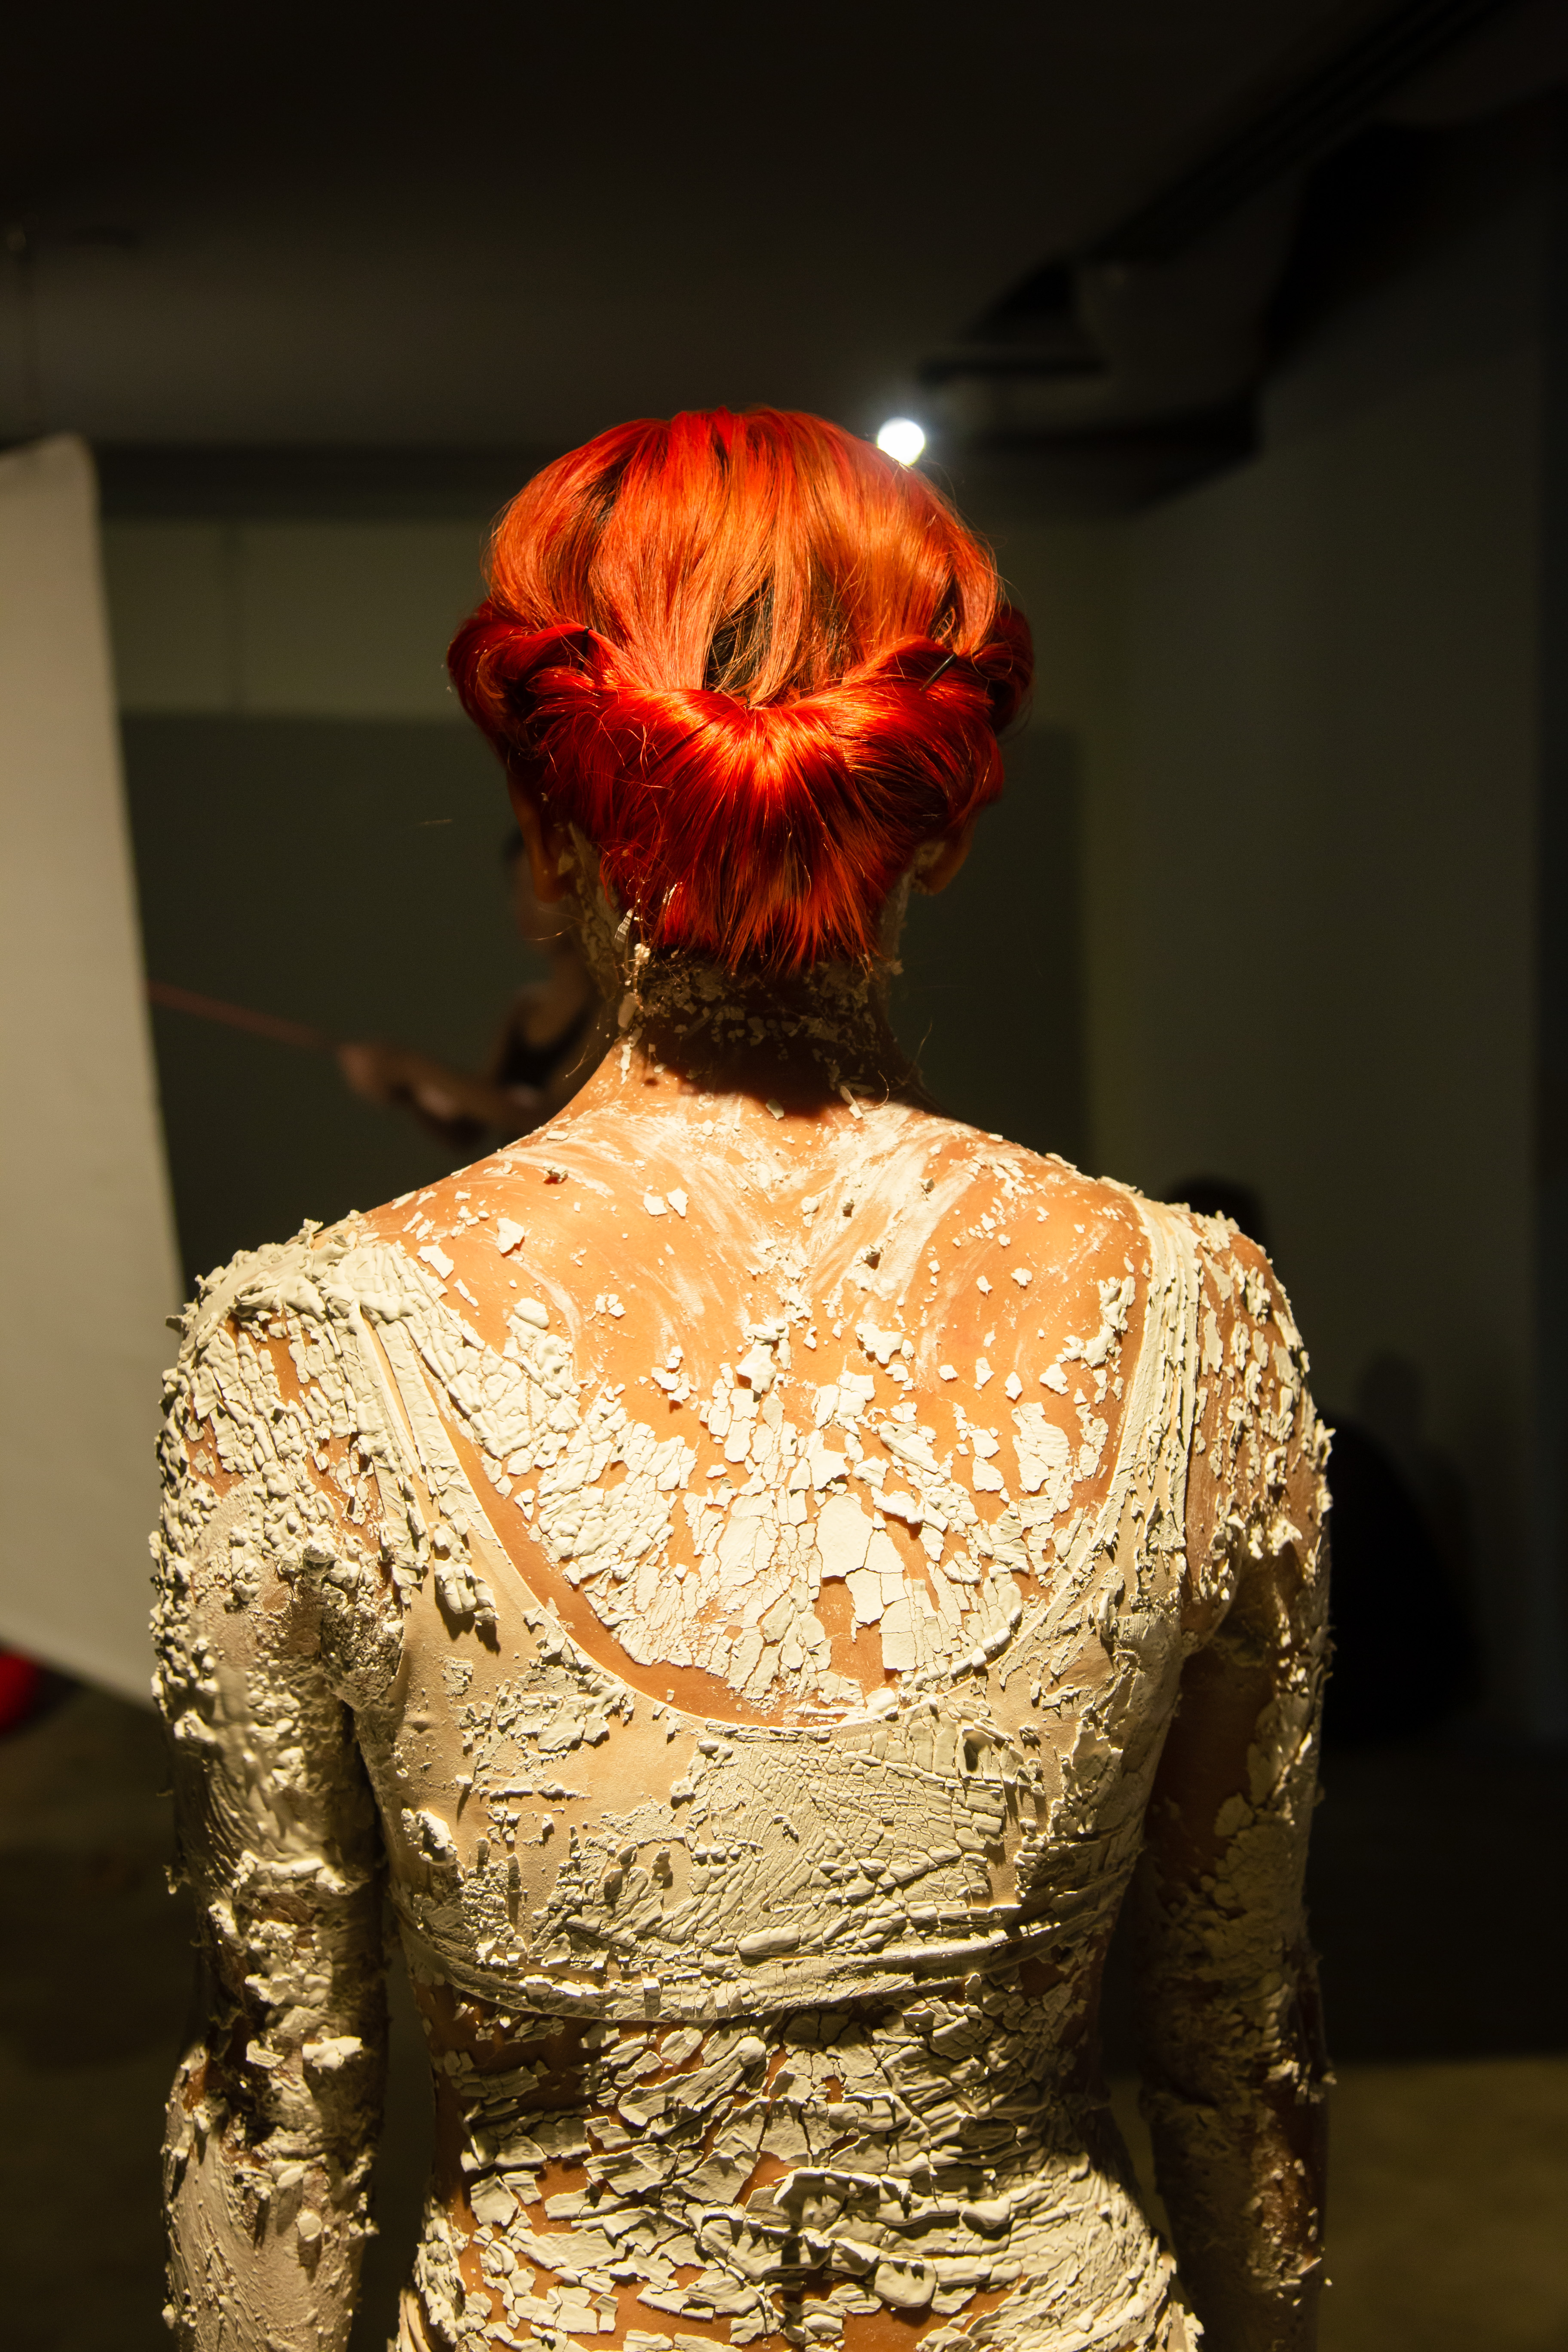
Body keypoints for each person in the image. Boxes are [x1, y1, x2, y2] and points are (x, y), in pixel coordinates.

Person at [153, 410, 1329, 2352]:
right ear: (934, 811)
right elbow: (1236, 2061)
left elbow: (278, 2118)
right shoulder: (1201, 1319)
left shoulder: (295, 1354)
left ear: (549, 811)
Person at [337, 831, 603, 1149]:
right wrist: (404, 1090)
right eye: (516, 887)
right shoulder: (527, 1009)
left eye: (539, 887)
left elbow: (545, 1117)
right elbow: (472, 1127)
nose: (522, 904)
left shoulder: (611, 1011)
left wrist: (409, 1066)